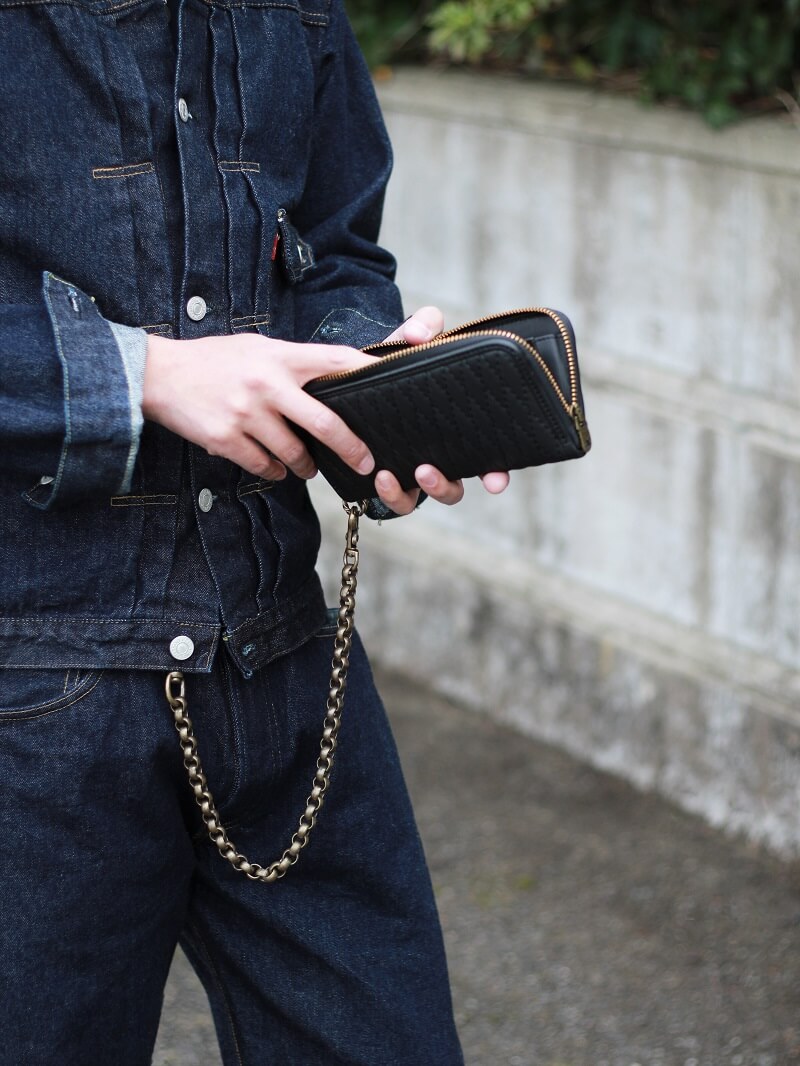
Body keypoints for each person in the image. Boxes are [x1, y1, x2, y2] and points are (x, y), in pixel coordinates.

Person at [0, 1, 508, 1062]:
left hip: (280, 656)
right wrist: (143, 374)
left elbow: (333, 252)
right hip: (30, 688)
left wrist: (369, 383)